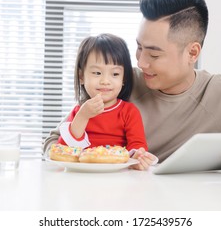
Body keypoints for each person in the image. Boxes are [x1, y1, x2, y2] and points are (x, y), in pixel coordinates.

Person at [44, 0, 221, 173]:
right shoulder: (119, 84)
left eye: (154, 54)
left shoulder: (219, 95)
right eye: (138, 47)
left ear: (192, 52)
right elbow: (53, 143)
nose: (140, 61)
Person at [52, 33, 157, 170]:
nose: (105, 81)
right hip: (83, 175)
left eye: (115, 74)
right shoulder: (80, 111)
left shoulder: (129, 112)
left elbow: (137, 145)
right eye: (97, 73)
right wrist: (83, 116)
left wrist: (138, 157)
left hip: (118, 175)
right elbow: (64, 152)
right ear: (81, 76)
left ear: (123, 78)